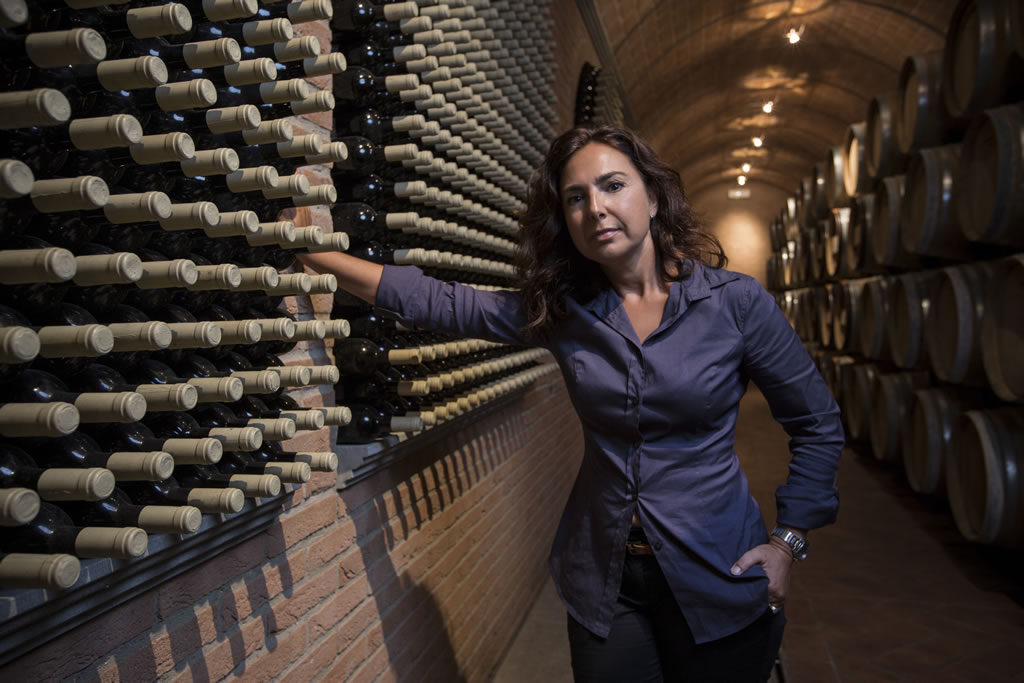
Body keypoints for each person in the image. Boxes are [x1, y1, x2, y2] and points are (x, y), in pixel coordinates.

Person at [299, 125, 844, 682]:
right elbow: (441, 302)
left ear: (654, 198)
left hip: (718, 570)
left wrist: (788, 541)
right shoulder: (563, 312)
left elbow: (817, 423)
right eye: (576, 198)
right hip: (607, 578)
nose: (596, 208)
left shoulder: (736, 304)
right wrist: (313, 254)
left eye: (613, 186)